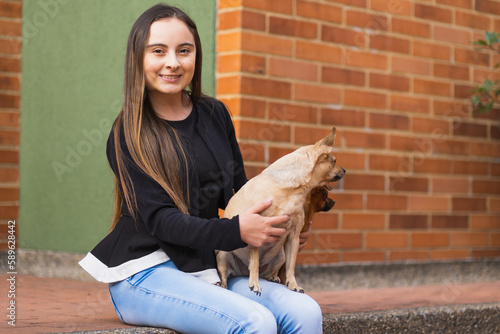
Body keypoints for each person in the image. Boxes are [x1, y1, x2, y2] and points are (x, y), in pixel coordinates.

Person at [79, 3, 322, 333]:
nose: (173, 62)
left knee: (306, 312)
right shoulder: (129, 132)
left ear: (196, 55)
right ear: (138, 58)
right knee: (256, 322)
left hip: (205, 264)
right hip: (145, 271)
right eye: (158, 51)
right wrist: (235, 231)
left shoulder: (214, 114)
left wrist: (279, 224)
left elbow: (242, 193)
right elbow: (161, 220)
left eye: (184, 50)